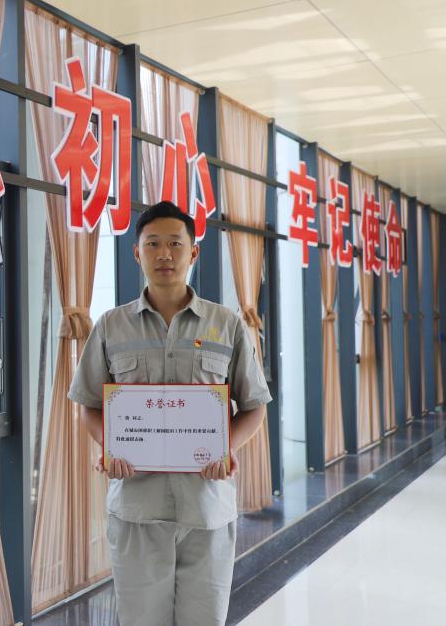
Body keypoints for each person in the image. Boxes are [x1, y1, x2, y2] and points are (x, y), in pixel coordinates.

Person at [68, 201, 270, 626]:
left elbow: (254, 407)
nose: (164, 254)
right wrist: (111, 445)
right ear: (136, 253)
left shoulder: (226, 324)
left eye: (175, 244)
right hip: (137, 508)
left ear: (193, 252)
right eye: (153, 244)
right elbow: (89, 404)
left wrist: (225, 448)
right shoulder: (111, 326)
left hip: (206, 507)